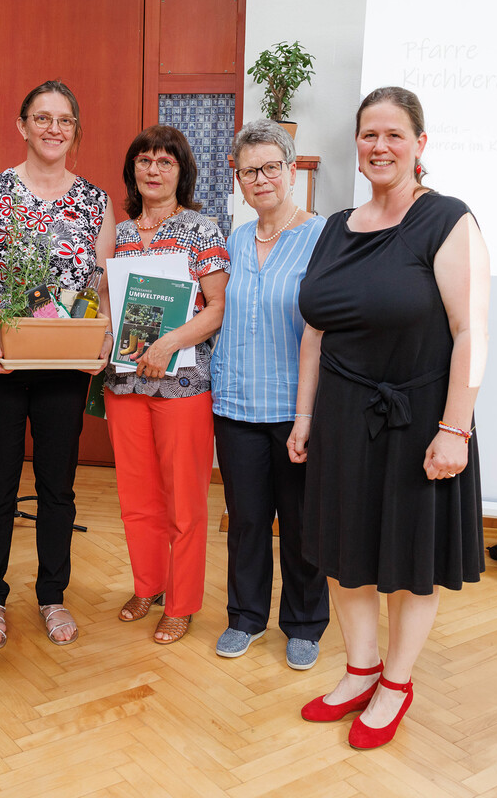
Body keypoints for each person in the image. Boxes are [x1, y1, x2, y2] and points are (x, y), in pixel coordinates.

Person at [289, 86, 490, 750]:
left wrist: (455, 428)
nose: (380, 146)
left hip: (418, 421)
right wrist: (304, 417)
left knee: (409, 559)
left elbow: (471, 332)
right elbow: (315, 332)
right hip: (343, 417)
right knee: (344, 554)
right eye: (369, 134)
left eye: (394, 134)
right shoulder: (336, 227)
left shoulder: (448, 220)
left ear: (419, 144)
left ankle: (396, 684)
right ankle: (360, 670)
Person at [0, 80, 116, 649]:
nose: (54, 129)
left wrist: (102, 341)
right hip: (2, 365)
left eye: (64, 120)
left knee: (58, 488)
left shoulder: (96, 201)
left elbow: (101, 286)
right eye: (42, 118)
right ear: (22, 126)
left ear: (75, 130)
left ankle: (52, 594)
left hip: (65, 369)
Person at [210, 119, 329, 669]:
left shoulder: (323, 237)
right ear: (238, 179)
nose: (260, 179)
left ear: (291, 170)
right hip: (235, 404)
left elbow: (326, 328)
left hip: (295, 409)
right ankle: (245, 617)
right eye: (248, 171)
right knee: (247, 520)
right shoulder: (235, 239)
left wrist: (309, 414)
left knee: (301, 523)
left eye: (270, 168)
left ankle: (304, 623)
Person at [104, 125, 229, 645]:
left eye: (165, 162)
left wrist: (167, 343)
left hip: (183, 385)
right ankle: (148, 586)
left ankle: (180, 604)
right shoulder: (118, 233)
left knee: (185, 502)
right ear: (132, 169)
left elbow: (217, 308)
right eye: (144, 161)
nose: (152, 170)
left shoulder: (202, 229)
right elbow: (106, 302)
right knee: (137, 496)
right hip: (125, 383)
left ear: (182, 172)